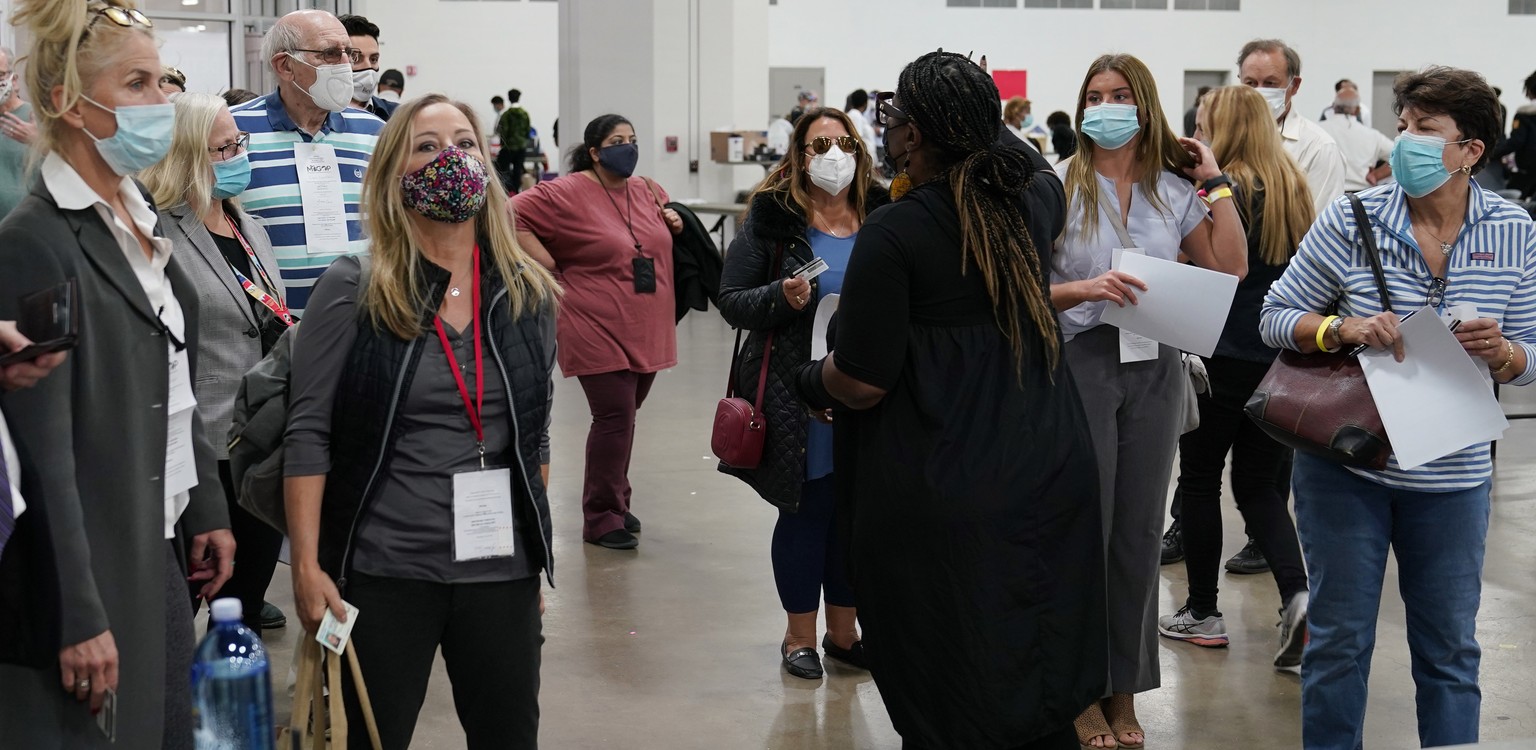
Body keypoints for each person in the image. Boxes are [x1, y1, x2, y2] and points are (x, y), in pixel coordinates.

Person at [794, 51, 1105, 750]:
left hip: (945, 485)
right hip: (1050, 470)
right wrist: (974, 102)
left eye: (896, 117)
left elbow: (864, 379)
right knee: (1037, 662)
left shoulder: (895, 232)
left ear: (912, 137)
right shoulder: (1032, 201)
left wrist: (810, 382)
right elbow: (1019, 158)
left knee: (950, 680)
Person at [1261, 66, 1536, 750]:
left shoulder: (1514, 230)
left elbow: (1532, 352)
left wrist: (1505, 355)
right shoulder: (1354, 218)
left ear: (1471, 150)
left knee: (1449, 650)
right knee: (1339, 646)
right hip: (1348, 467)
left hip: (1453, 478)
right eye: (1405, 126)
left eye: (1426, 131)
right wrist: (1340, 329)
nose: (1405, 141)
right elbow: (1274, 315)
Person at [284, 93, 560, 749]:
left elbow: (535, 432)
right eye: (427, 147)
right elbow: (309, 432)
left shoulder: (526, 290)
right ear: (392, 173)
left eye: (463, 143)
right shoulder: (354, 285)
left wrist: (531, 552)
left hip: (500, 571)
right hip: (386, 573)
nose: (450, 159)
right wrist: (306, 564)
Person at [0, 2, 236, 746]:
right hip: (89, 566)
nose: (163, 101)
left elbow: (175, 377)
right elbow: (43, 455)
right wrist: (78, 611)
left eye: (162, 78)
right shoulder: (36, 243)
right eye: (137, 83)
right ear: (71, 101)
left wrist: (204, 504)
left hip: (156, 541)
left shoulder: (144, 220)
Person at [1050, 52, 1247, 750]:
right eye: (1094, 94)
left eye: (1120, 95)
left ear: (1145, 106)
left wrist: (1215, 181)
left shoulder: (1172, 190)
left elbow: (1229, 267)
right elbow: (1020, 289)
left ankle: (1123, 689)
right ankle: (1075, 692)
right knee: (1083, 528)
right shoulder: (1056, 186)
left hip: (1157, 365)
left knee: (1136, 533)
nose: (1106, 106)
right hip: (1080, 363)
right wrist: (1083, 291)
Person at [718, 107, 887, 681]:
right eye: (819, 145)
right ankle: (799, 636)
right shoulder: (775, 220)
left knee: (857, 516)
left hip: (869, 394)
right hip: (799, 395)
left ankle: (845, 633)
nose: (833, 154)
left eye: (843, 142)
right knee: (808, 511)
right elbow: (732, 298)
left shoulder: (884, 216)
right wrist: (779, 298)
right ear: (799, 156)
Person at [1159, 85, 1312, 673]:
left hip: (1216, 352)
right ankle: (1297, 596)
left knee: (1197, 481)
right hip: (1277, 355)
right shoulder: (1292, 186)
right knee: (1260, 487)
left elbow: (1193, 263)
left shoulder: (1216, 192)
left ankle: (1202, 612)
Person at [140, 92, 293, 637]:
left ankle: (229, 719)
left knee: (244, 602)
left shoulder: (248, 225)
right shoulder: (158, 230)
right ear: (185, 156)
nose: (237, 156)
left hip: (259, 442)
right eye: (223, 148)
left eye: (238, 143)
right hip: (201, 444)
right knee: (181, 604)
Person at [512, 114, 684, 550]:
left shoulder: (646, 189)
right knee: (614, 416)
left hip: (645, 321)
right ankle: (601, 516)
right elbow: (508, 214)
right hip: (593, 321)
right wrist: (548, 263)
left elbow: (664, 226)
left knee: (625, 418)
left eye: (632, 138)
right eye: (616, 141)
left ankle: (617, 501)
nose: (627, 147)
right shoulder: (564, 192)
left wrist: (672, 220)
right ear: (594, 151)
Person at [231, 9, 385, 316]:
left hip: (361, 320)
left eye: (348, 54)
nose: (344, 65)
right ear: (285, 65)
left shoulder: (374, 132)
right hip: (268, 327)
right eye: (329, 54)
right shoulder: (234, 131)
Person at [1237, 39, 1346, 217]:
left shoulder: (1319, 148)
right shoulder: (1225, 137)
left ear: (1294, 85)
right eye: (1250, 83)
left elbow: (1322, 227)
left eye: (1270, 83)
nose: (1259, 92)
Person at [1319, 93, 1395, 192]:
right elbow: (1400, 156)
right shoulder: (1373, 135)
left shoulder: (1318, 130)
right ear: (1358, 110)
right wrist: (1376, 175)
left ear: (1334, 107)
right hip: (1361, 199)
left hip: (1327, 194)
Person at [0, 47, 37, 219]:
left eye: (0, 75)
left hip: (25, 229)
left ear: (13, 80)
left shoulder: (36, 119)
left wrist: (39, 141)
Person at [339, 14, 396, 122]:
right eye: (356, 58)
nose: (368, 67)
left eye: (373, 59)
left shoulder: (395, 116)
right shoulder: (319, 117)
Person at [1490, 71, 1536, 198]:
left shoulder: (1525, 113)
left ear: (1530, 90)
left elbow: (1517, 141)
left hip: (1528, 171)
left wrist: (1491, 155)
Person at [495, 88, 532, 193]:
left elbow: (504, 131)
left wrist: (504, 143)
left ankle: (504, 191)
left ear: (508, 98)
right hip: (521, 147)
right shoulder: (525, 114)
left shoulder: (506, 114)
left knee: (501, 169)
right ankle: (516, 192)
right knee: (518, 171)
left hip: (508, 148)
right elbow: (527, 131)